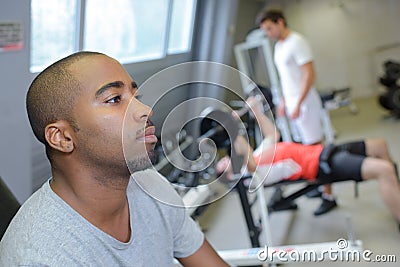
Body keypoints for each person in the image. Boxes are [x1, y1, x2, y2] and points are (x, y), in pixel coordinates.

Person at [0, 52, 229, 266]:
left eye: (136, 96)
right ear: (62, 137)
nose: (145, 110)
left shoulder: (151, 186)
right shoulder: (41, 257)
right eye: (114, 99)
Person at [225, 98, 400, 229]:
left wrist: (255, 110)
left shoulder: (258, 153)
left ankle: (395, 195)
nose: (222, 161)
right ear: (230, 173)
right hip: (324, 164)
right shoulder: (252, 174)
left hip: (326, 151)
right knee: (384, 169)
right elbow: (248, 159)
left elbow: (273, 135)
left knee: (380, 144)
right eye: (221, 165)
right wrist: (233, 132)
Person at [256, 9, 335, 215]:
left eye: (270, 28)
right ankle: (318, 185)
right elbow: (286, 78)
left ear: (280, 22)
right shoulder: (279, 47)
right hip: (292, 104)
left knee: (315, 149)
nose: (268, 33)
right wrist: (284, 101)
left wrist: (298, 102)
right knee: (304, 150)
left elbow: (309, 74)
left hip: (305, 103)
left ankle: (329, 195)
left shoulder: (297, 42)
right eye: (265, 30)